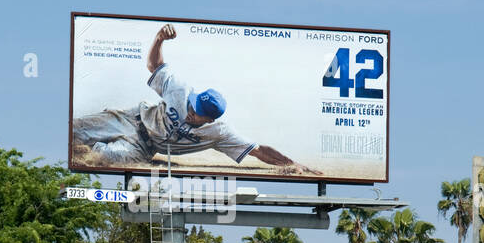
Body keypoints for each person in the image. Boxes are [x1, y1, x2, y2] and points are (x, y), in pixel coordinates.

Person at [72, 23, 318, 173]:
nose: (192, 109)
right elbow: (153, 65)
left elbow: (257, 150)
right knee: (74, 131)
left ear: (209, 119)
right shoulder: (180, 89)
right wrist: (158, 39)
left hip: (142, 148)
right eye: (195, 103)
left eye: (198, 111)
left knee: (99, 158)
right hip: (131, 120)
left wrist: (291, 163)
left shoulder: (219, 132)